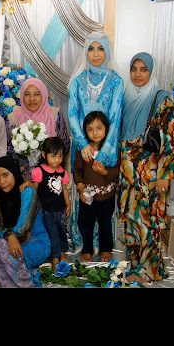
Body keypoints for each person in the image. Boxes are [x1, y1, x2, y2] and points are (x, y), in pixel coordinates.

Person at [119, 52, 174, 283]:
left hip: (151, 176)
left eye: (143, 69)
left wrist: (165, 175)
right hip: (129, 177)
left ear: (152, 72)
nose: (138, 74)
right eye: (134, 69)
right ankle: (136, 263)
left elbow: (172, 140)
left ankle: (149, 270)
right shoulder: (126, 97)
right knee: (132, 219)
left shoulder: (163, 100)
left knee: (149, 220)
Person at [68, 30, 124, 251]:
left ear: (108, 51)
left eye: (100, 48)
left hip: (106, 147)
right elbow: (72, 113)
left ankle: (105, 244)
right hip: (82, 148)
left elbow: (116, 117)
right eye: (91, 48)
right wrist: (84, 144)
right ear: (85, 52)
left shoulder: (116, 81)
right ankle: (85, 243)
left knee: (104, 198)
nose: (96, 53)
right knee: (85, 196)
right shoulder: (77, 81)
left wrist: (104, 150)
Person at [0, 156, 51, 287]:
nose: (2, 181)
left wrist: (8, 235)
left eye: (5, 175)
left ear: (14, 173)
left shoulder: (27, 191)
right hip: (10, 240)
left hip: (35, 242)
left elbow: (23, 229)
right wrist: (8, 235)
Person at [74, 111, 120, 263]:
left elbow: (118, 171)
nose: (95, 133)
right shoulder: (83, 150)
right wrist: (81, 188)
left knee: (105, 223)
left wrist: (105, 172)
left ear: (106, 128)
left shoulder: (111, 149)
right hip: (87, 195)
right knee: (86, 223)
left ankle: (105, 248)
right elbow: (77, 170)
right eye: (90, 129)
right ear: (85, 131)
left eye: (99, 128)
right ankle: (87, 249)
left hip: (106, 196)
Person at [6, 77, 71, 181]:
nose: (32, 99)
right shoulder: (12, 118)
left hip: (51, 174)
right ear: (22, 96)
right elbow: (9, 150)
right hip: (22, 176)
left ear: (44, 95)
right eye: (27, 94)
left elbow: (65, 144)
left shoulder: (55, 114)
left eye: (37, 94)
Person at [30, 137, 71, 271]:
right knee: (52, 233)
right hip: (47, 210)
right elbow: (34, 189)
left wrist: (68, 204)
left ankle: (63, 253)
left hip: (61, 209)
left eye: (60, 156)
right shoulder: (39, 171)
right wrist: (28, 186)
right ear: (44, 154)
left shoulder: (63, 172)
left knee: (62, 231)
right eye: (53, 156)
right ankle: (55, 258)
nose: (57, 160)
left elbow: (64, 189)